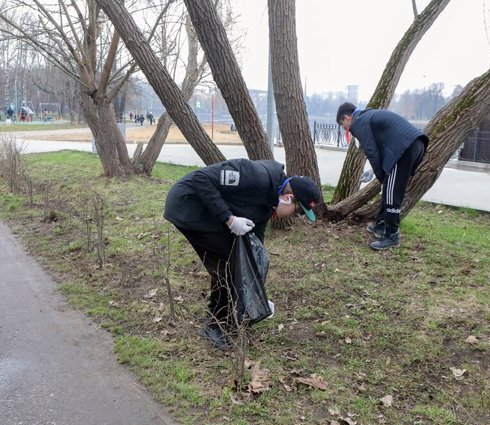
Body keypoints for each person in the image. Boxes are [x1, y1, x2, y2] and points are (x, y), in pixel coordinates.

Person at [164, 158, 321, 349]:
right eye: (297, 212)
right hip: (189, 206)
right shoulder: (255, 176)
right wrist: (229, 219)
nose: (294, 217)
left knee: (235, 261)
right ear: (288, 198)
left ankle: (221, 317)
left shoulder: (269, 202)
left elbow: (255, 244)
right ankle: (216, 325)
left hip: (209, 212)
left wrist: (259, 295)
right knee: (227, 264)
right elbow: (200, 179)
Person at [336, 102, 428, 250]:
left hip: (404, 148)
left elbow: (372, 152)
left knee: (392, 192)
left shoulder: (358, 122)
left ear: (347, 117)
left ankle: (392, 236)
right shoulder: (367, 116)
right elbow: (382, 147)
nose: (346, 129)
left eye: (343, 124)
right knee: (389, 188)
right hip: (412, 145)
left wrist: (380, 177)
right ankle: (380, 225)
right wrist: (375, 173)